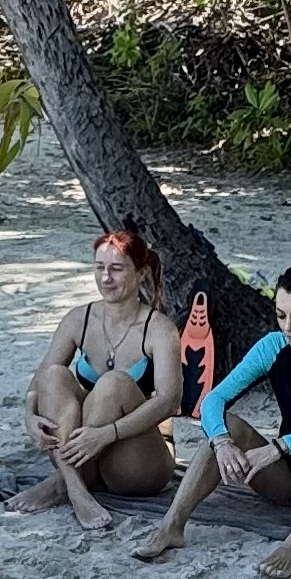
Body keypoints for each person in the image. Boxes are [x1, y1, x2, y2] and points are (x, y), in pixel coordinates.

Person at [134, 261, 291, 576]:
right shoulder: (272, 347)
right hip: (287, 478)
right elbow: (214, 400)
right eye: (281, 316)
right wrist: (221, 442)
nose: (288, 327)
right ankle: (172, 526)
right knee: (226, 426)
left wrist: (279, 446)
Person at [18, 228, 185, 533]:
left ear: (141, 273)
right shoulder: (78, 319)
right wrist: (30, 417)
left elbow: (169, 400)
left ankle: (61, 484)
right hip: (84, 456)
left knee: (113, 384)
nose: (106, 278)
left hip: (136, 461)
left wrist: (108, 433)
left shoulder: (159, 329)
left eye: (117, 269)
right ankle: (71, 484)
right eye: (100, 268)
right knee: (54, 375)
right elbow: (37, 384)